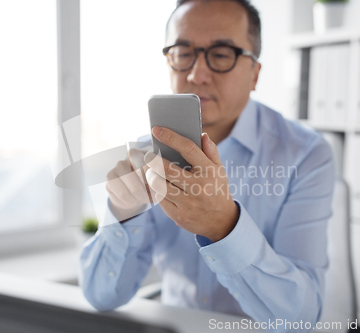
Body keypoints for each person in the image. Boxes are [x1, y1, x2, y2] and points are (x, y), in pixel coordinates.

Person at [79, 0, 335, 330]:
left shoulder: (306, 155)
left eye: (222, 54)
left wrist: (223, 226)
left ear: (254, 74)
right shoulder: (148, 154)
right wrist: (123, 212)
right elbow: (102, 295)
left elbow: (300, 318)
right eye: (183, 53)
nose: (197, 74)